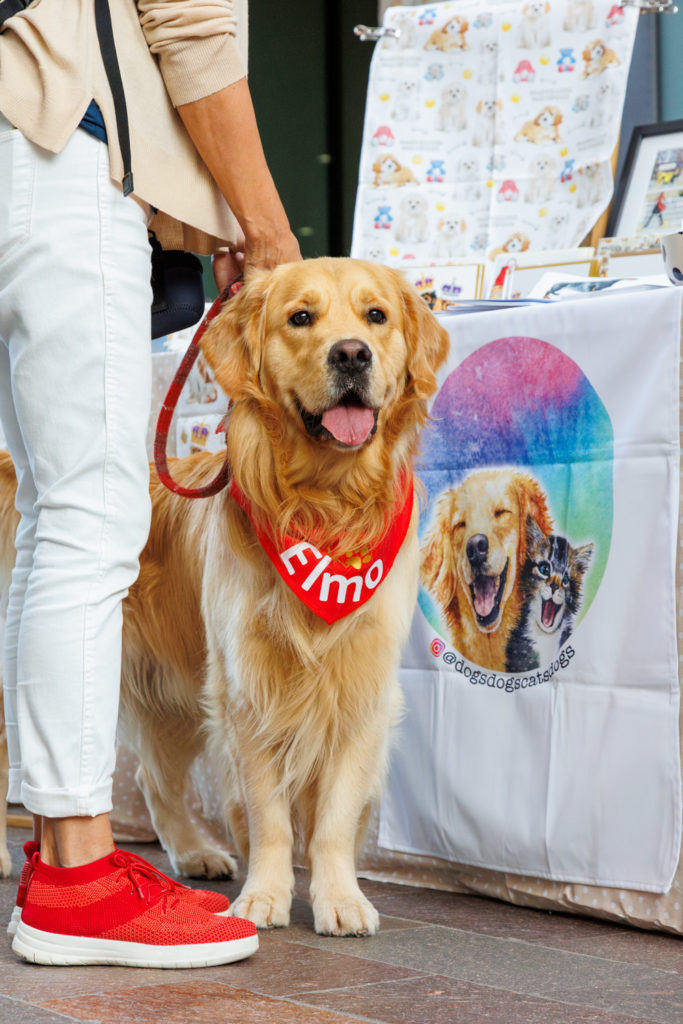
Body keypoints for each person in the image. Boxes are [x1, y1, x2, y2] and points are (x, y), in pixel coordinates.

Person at [0, 0, 300, 967]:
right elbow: (190, 23)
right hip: (51, 147)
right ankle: (77, 879)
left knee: (50, 514)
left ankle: (55, 846)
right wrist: (266, 233)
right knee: (89, 516)